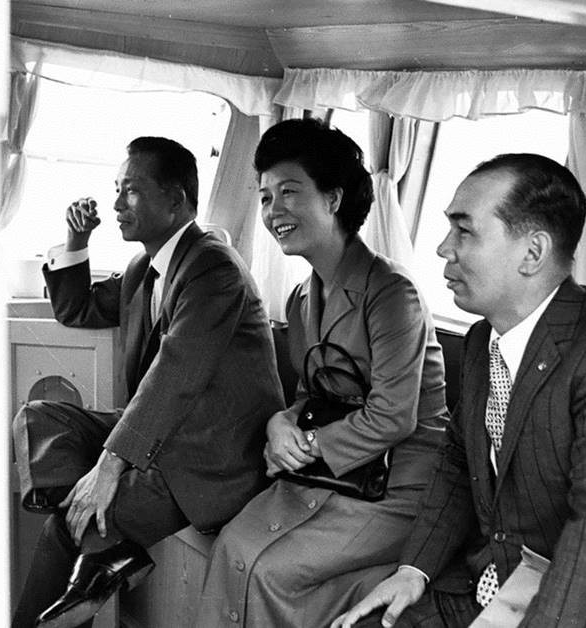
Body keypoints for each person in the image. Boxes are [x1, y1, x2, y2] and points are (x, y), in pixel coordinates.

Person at [332, 153, 586, 628]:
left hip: (561, 603)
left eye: (464, 231)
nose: (443, 248)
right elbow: (458, 459)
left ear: (533, 252)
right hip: (484, 582)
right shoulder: (482, 339)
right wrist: (413, 569)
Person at [10, 136, 285, 628]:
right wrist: (77, 243)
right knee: (39, 419)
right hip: (167, 440)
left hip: (214, 458)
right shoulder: (146, 268)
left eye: (132, 190)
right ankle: (103, 543)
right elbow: (79, 309)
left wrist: (109, 468)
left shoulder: (214, 267)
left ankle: (97, 541)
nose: (117, 204)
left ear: (175, 199)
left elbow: (176, 373)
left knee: (66, 528)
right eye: (117, 189)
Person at [192, 118, 449, 628]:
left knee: (269, 569)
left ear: (333, 199)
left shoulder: (392, 294)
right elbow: (311, 393)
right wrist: (280, 423)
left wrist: (307, 446)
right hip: (332, 471)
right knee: (233, 546)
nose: (274, 211)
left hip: (398, 485)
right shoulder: (301, 298)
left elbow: (394, 417)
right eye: (265, 197)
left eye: (289, 191)